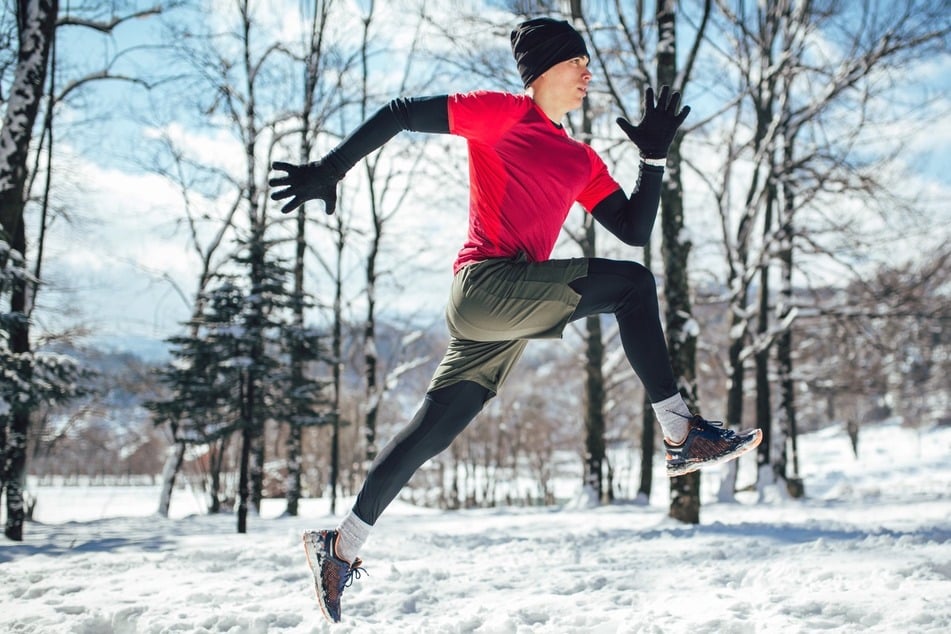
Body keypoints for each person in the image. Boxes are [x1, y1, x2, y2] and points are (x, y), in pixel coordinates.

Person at [269, 17, 761, 623]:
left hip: (510, 310)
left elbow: (634, 229)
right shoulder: (503, 114)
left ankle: (339, 547)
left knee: (433, 430)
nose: (588, 73)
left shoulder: (580, 159)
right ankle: (681, 432)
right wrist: (332, 167)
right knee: (633, 288)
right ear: (544, 70)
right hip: (486, 287)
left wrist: (653, 157)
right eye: (577, 62)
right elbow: (400, 112)